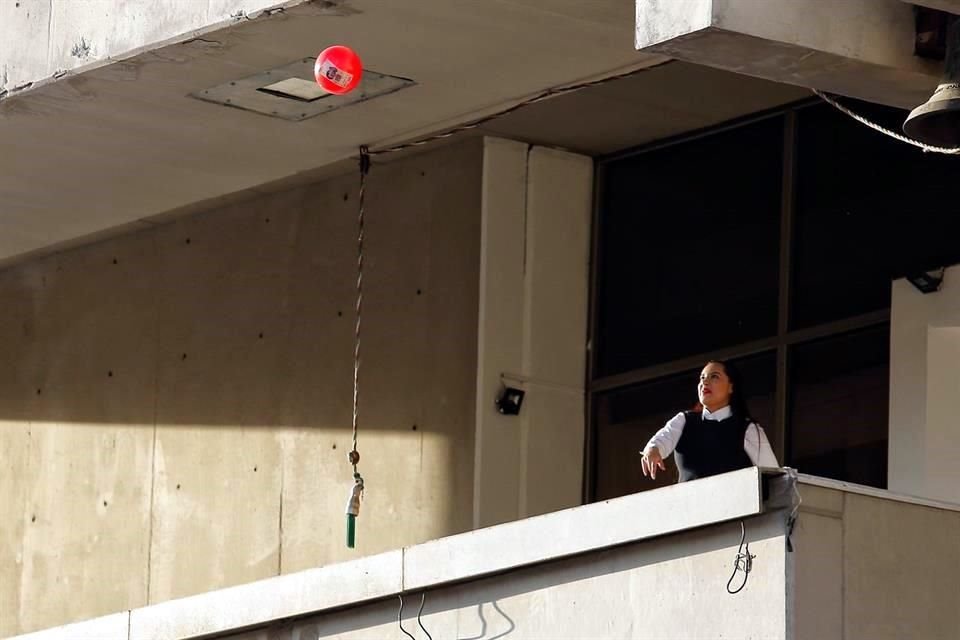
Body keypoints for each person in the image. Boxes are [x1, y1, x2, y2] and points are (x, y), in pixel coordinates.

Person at [640, 360, 779, 482]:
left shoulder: (747, 428)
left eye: (714, 377)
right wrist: (652, 450)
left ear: (731, 387)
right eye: (702, 378)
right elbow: (660, 441)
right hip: (688, 507)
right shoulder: (684, 420)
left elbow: (774, 476)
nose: (704, 382)